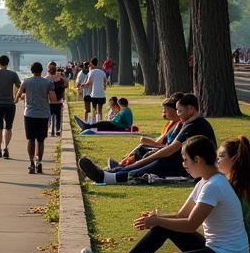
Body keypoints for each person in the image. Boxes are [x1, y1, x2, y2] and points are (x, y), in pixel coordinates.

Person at [81, 136, 250, 253]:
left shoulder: (215, 185)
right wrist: (157, 218)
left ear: (197, 160)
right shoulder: (204, 183)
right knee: (163, 227)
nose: (183, 165)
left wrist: (158, 220)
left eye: (185, 160)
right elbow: (181, 216)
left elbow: (191, 224)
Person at [78, 93, 216, 184]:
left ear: (191, 109)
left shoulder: (194, 124)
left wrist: (146, 159)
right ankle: (111, 173)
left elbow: (171, 149)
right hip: (187, 162)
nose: (178, 115)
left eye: (180, 111)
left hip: (191, 167)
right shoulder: (191, 123)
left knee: (154, 165)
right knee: (152, 161)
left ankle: (109, 176)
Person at [106, 95, 183, 169]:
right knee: (142, 146)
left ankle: (123, 165)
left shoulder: (179, 125)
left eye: (166, 110)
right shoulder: (172, 124)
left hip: (167, 153)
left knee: (142, 148)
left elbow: (168, 146)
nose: (163, 112)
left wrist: (149, 142)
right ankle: (123, 163)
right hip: (163, 148)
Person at [16, 61, 58, 174]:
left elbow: (19, 95)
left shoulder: (26, 81)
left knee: (30, 139)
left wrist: (20, 98)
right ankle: (39, 162)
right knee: (40, 140)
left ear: (31, 71)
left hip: (29, 114)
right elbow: (53, 99)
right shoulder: (48, 83)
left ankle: (31, 163)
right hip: (43, 114)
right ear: (41, 71)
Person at [0, 54, 21, 159]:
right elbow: (19, 86)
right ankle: (5, 148)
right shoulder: (13, 74)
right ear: (8, 63)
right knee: (8, 127)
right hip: (10, 103)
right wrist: (16, 98)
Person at [218, 136, 250, 235]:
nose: (217, 159)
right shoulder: (230, 184)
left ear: (234, 159)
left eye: (221, 155)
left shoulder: (229, 187)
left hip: (240, 245)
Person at [85, 58, 108, 123]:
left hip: (94, 94)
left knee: (94, 109)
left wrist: (83, 85)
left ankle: (94, 122)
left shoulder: (91, 72)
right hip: (101, 94)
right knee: (100, 110)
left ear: (91, 64)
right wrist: (104, 87)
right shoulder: (102, 72)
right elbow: (105, 82)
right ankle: (100, 122)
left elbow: (88, 83)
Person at [46, 62, 66, 137]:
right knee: (58, 118)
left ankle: (51, 130)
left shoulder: (46, 78)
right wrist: (63, 98)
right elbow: (64, 88)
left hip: (50, 102)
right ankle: (57, 130)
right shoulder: (60, 78)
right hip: (58, 102)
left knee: (49, 118)